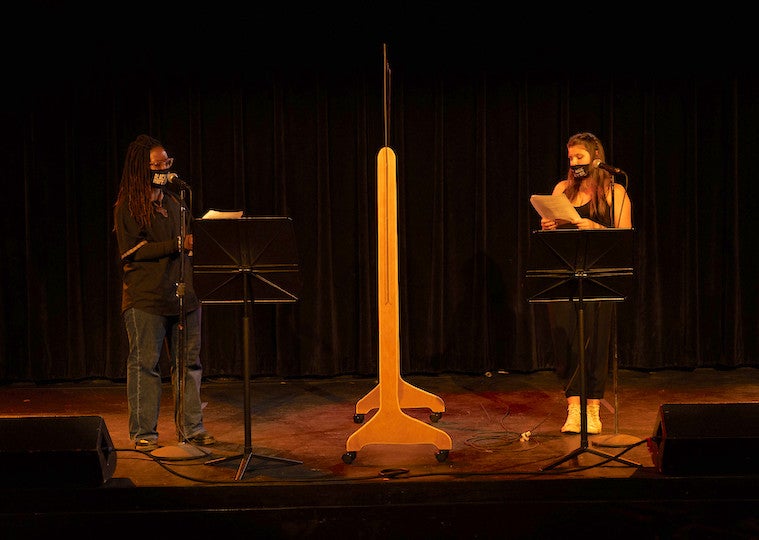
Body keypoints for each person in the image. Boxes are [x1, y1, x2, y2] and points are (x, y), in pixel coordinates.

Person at [113, 134, 215, 451]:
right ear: (140, 167)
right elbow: (132, 250)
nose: (163, 168)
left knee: (189, 366)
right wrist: (177, 244)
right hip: (147, 299)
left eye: (166, 162)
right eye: (157, 163)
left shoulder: (175, 202)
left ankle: (192, 429)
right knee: (145, 366)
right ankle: (144, 433)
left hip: (183, 298)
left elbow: (188, 245)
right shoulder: (128, 206)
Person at [540, 131, 633, 435]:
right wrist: (548, 226)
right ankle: (573, 406)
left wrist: (594, 226)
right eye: (570, 158)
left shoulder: (614, 192)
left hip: (597, 277)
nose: (574, 163)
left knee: (595, 340)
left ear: (596, 156)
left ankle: (592, 409)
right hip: (565, 275)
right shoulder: (562, 189)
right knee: (565, 339)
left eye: (579, 157)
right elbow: (550, 238)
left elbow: (625, 238)